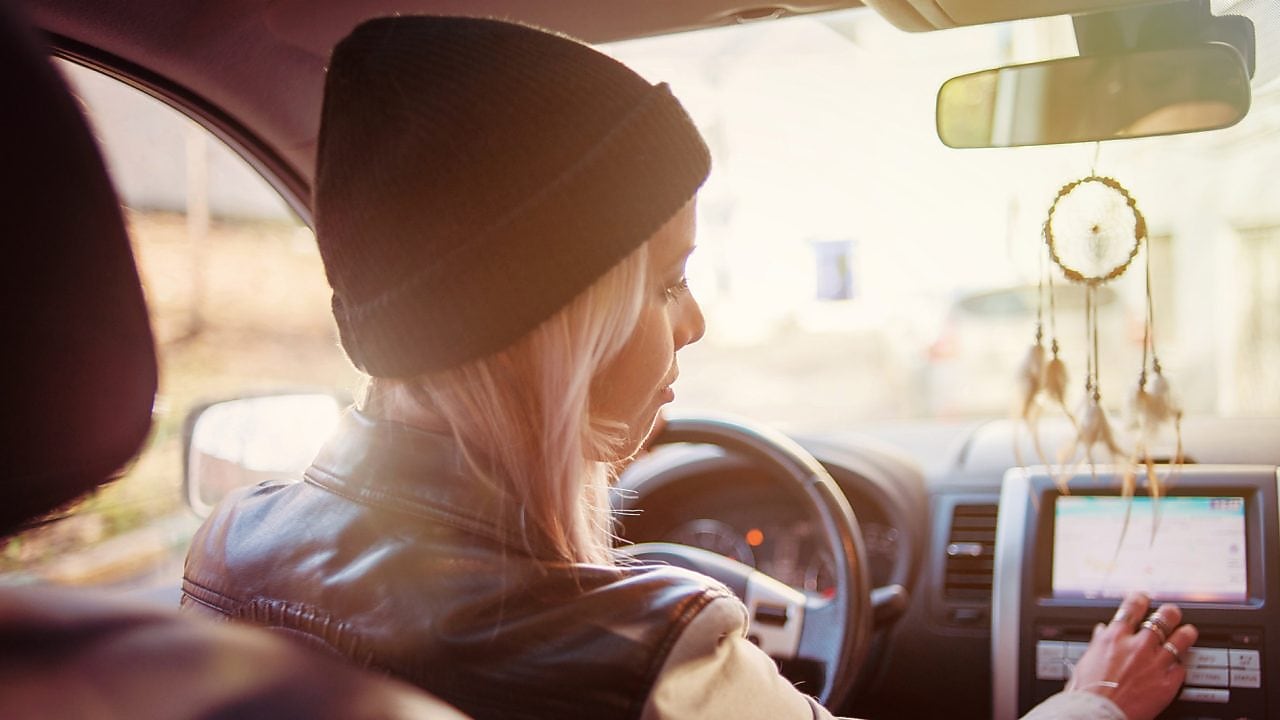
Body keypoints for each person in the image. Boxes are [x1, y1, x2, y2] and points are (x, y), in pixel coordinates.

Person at [182, 15, 1197, 720]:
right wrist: (1092, 697)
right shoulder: (649, 658)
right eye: (666, 283)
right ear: (555, 326)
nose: (697, 322)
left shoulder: (227, 555)